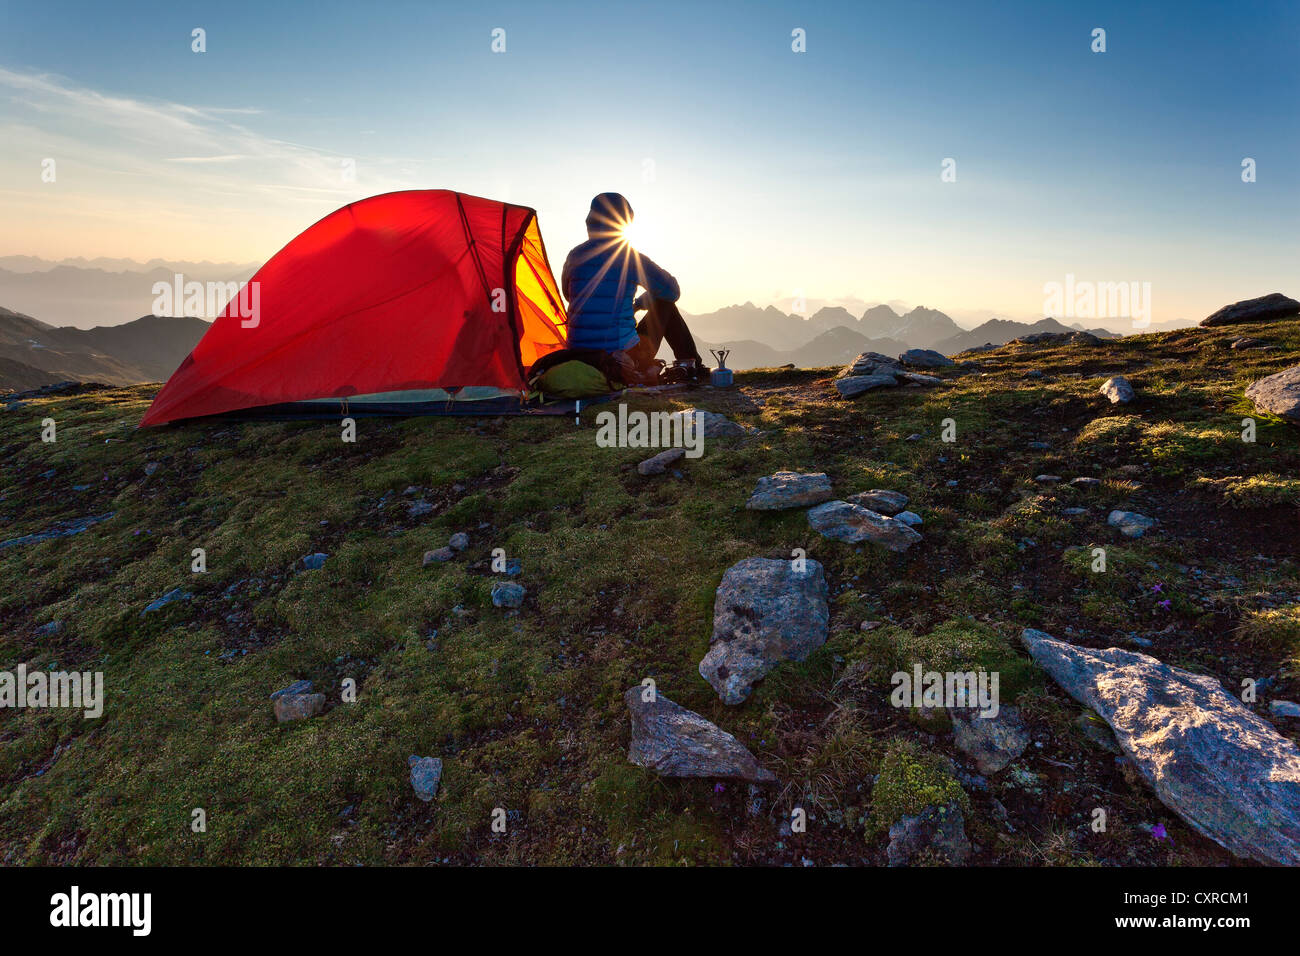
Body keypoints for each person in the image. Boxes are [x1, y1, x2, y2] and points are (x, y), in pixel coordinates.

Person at [561, 192, 707, 385]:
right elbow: (672, 291)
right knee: (665, 305)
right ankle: (693, 365)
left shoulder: (575, 255)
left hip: (578, 356)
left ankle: (691, 365)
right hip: (621, 358)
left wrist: (635, 305)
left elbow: (569, 294)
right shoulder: (629, 257)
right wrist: (640, 303)